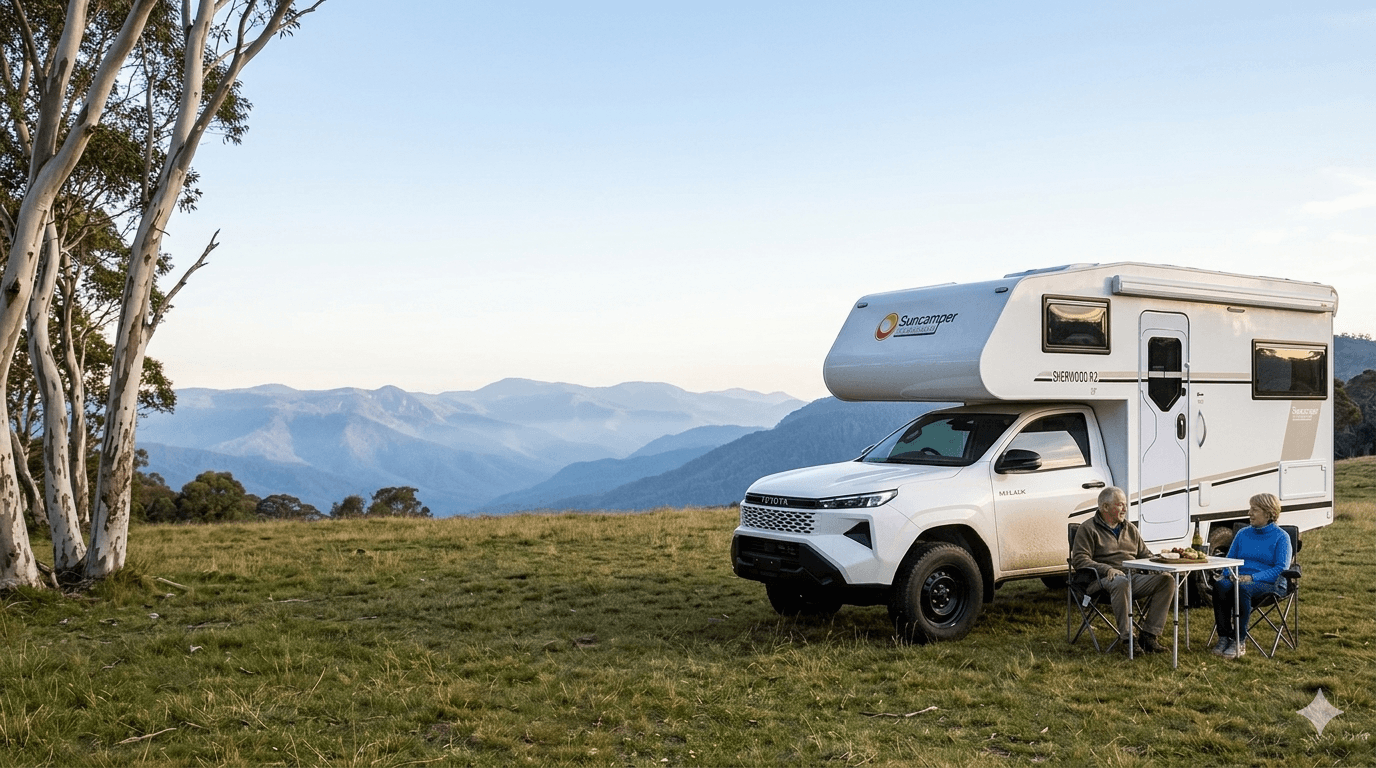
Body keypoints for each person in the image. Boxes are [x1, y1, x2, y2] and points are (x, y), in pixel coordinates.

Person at [1071, 486, 1175, 654]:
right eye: (1120, 505)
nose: (1125, 509)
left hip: (1131, 577)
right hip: (1100, 581)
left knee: (1167, 580)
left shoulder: (1130, 528)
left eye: (1125, 505)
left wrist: (1162, 562)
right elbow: (1080, 559)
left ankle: (1149, 636)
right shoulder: (1088, 528)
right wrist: (1107, 569)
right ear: (1105, 507)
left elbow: (1145, 555)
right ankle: (1128, 639)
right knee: (1120, 582)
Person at [1211, 493, 1292, 659]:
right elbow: (1229, 560)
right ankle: (1224, 637)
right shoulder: (1242, 534)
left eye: (1254, 510)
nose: (1249, 513)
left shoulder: (1281, 537)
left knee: (1243, 588)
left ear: (1269, 514)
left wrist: (1252, 578)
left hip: (1270, 583)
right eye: (1250, 509)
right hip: (1239, 578)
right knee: (1220, 586)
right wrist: (1226, 574)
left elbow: (1281, 568)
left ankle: (1239, 640)